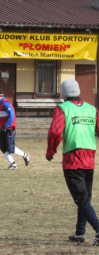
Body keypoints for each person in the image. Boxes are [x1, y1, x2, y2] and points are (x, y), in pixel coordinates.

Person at [46, 79, 99, 246]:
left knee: (81, 198)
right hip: (89, 156)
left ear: (63, 94)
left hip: (73, 156)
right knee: (84, 197)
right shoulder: (92, 109)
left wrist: (50, 152)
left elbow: (55, 131)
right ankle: (79, 232)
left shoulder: (62, 109)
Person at [0, 88, 29, 170]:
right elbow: (4, 118)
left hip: (9, 129)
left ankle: (25, 155)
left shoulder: (5, 103)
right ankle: (13, 164)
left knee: (10, 149)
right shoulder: (0, 104)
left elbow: (12, 115)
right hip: (3, 128)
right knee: (3, 148)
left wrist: (6, 126)